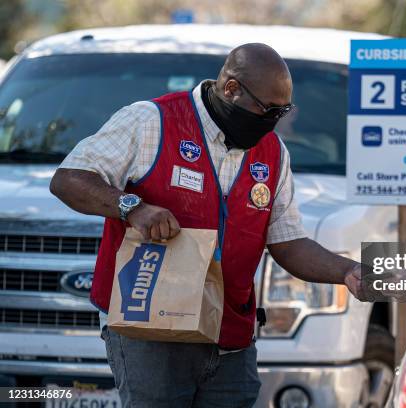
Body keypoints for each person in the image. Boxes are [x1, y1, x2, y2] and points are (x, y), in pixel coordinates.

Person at [50, 43, 364, 408]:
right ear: (230, 88)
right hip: (150, 329)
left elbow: (288, 243)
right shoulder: (151, 121)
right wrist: (131, 207)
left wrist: (347, 271)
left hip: (230, 334)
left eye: (283, 111)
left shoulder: (273, 152)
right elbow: (69, 179)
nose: (274, 121)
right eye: (267, 110)